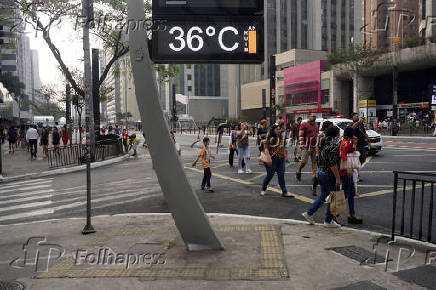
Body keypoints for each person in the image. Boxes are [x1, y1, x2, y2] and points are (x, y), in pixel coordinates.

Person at [301, 126, 342, 228]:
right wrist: (337, 177)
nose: (339, 135)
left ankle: (309, 213)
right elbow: (333, 164)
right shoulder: (333, 146)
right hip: (328, 174)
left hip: (320, 172)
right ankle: (328, 220)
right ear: (336, 135)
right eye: (339, 133)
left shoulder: (321, 143)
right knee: (334, 196)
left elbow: (318, 159)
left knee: (324, 195)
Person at [260, 123, 293, 198]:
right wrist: (268, 159)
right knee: (270, 175)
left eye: (279, 129)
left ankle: (284, 192)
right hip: (273, 159)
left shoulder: (281, 136)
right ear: (273, 130)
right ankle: (263, 189)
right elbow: (266, 148)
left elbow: (283, 147)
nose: (278, 130)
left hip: (281, 158)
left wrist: (285, 157)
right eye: (277, 129)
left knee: (281, 175)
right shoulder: (269, 137)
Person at [340, 127, 363, 225]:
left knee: (349, 193)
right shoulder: (345, 142)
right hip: (346, 171)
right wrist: (348, 167)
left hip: (347, 171)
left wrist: (354, 143)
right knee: (346, 193)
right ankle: (334, 214)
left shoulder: (347, 141)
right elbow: (343, 154)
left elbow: (351, 150)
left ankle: (351, 214)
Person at [296, 114, 319, 192]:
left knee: (314, 162)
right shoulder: (304, 124)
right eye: (312, 116)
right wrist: (302, 145)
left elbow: (317, 134)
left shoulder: (316, 125)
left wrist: (317, 144)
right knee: (304, 162)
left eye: (315, 116)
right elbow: (301, 135)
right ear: (308, 117)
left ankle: (314, 176)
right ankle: (298, 171)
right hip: (306, 146)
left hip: (314, 146)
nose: (314, 117)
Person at [351, 113, 370, 180]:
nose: (357, 117)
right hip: (356, 145)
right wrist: (359, 122)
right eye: (356, 116)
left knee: (363, 159)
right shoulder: (352, 124)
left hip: (362, 144)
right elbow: (352, 130)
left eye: (358, 116)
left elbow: (364, 132)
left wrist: (368, 140)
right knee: (356, 160)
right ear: (352, 118)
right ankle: (356, 175)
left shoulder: (361, 124)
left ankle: (356, 172)